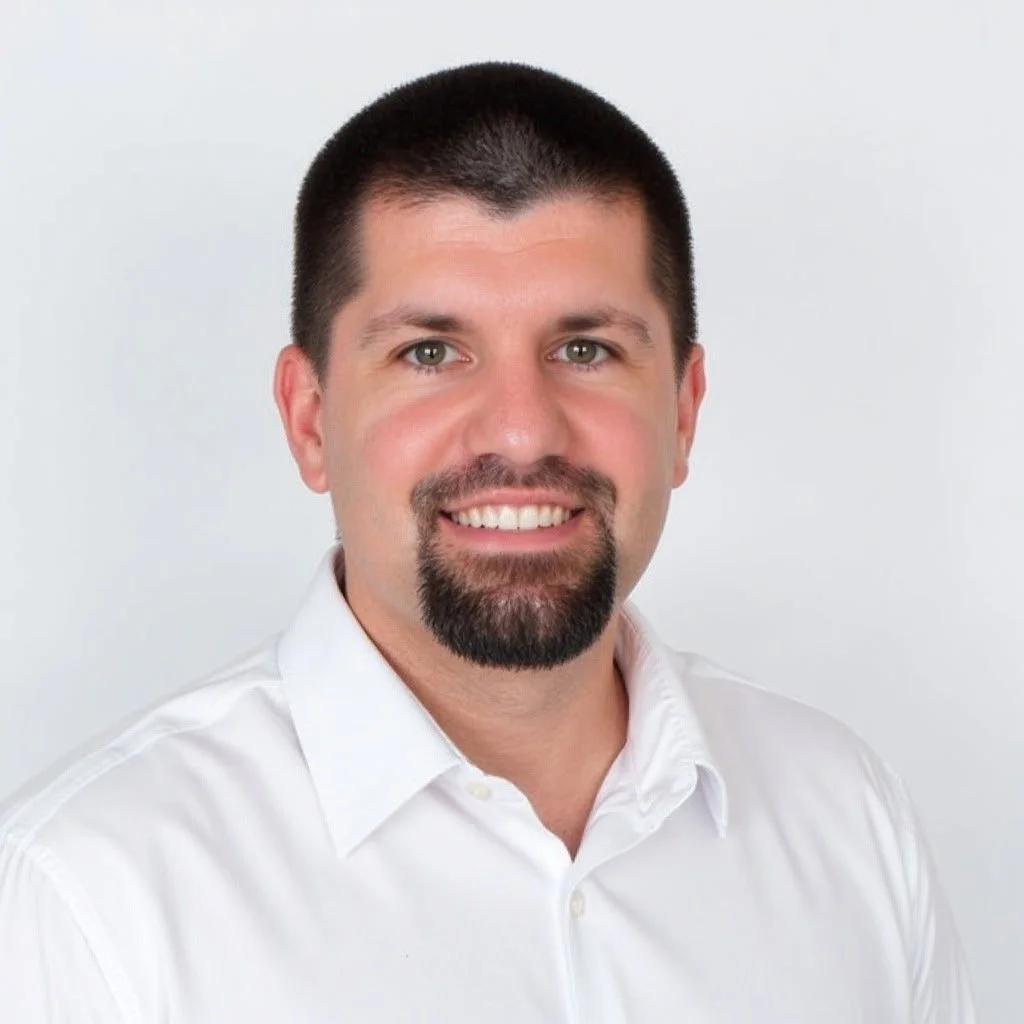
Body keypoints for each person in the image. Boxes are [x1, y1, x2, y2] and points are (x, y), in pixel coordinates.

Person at [0, 62, 975, 1022]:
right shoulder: (88, 896)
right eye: (429, 352)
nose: (519, 430)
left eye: (584, 349)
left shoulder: (844, 817)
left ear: (681, 411)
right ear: (308, 419)